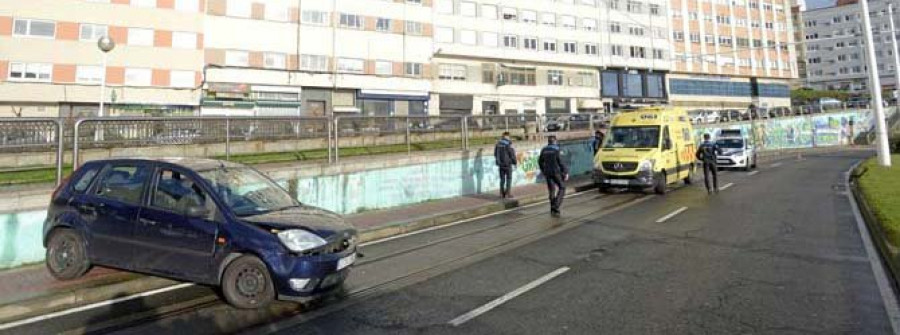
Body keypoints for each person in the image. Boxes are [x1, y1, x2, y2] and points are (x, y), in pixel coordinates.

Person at [539, 136, 569, 217]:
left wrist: (543, 170)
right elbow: (561, 162)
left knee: (551, 190)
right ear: (555, 141)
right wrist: (565, 172)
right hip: (556, 172)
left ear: (548, 141)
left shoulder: (544, 149)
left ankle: (552, 208)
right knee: (562, 187)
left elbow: (540, 162)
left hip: (548, 173)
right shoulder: (557, 149)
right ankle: (556, 205)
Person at [494, 132, 517, 199]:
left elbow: (495, 154)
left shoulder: (498, 144)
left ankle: (501, 194)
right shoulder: (508, 144)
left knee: (502, 179)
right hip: (507, 164)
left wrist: (499, 161)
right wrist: (515, 162)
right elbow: (512, 154)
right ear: (507, 136)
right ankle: (507, 194)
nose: (509, 138)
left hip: (500, 164)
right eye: (509, 136)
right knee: (509, 179)